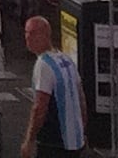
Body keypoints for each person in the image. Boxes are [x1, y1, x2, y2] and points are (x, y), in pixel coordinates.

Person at [19, 16, 83, 158]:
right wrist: (82, 130)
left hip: (53, 140)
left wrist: (29, 140)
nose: (28, 38)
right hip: (75, 140)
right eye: (26, 32)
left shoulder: (44, 64)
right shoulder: (66, 60)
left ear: (45, 35)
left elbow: (40, 106)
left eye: (33, 33)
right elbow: (80, 98)